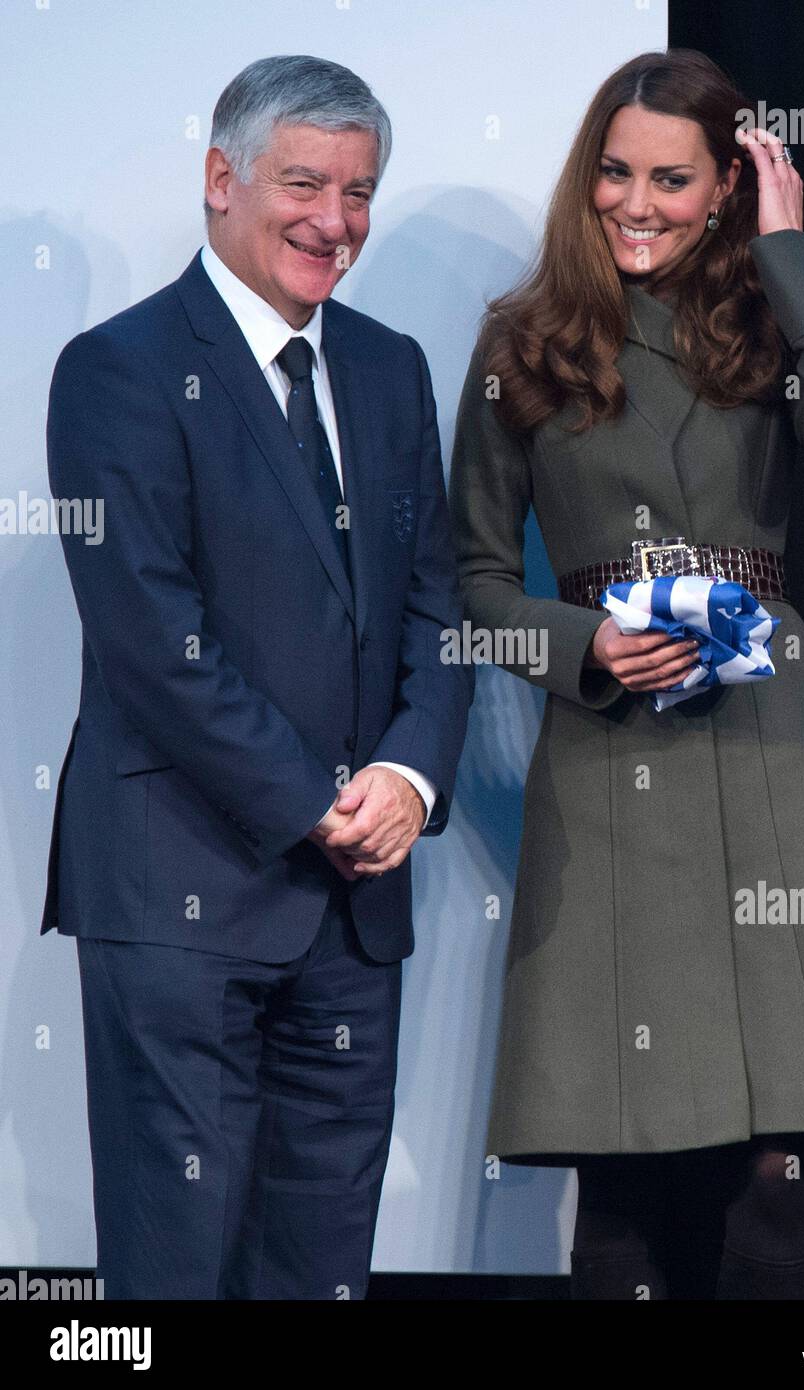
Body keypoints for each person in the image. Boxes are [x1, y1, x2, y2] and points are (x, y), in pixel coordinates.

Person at [448, 48, 804, 1300]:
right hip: (614, 743)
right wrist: (582, 649)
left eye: (674, 180)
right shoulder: (523, 344)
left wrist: (787, 245)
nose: (638, 203)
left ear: (728, 185)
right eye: (616, 174)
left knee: (776, 1156)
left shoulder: (762, 320)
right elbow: (467, 585)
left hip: (770, 741)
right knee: (620, 1161)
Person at [42, 54, 472, 1300]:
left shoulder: (391, 367)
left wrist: (405, 775)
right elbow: (148, 635)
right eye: (304, 182)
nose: (334, 221)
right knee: (177, 1271)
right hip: (180, 888)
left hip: (353, 913)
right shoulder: (114, 370)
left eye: (360, 191)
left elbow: (437, 610)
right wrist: (317, 805)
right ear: (221, 179)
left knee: (322, 1262)